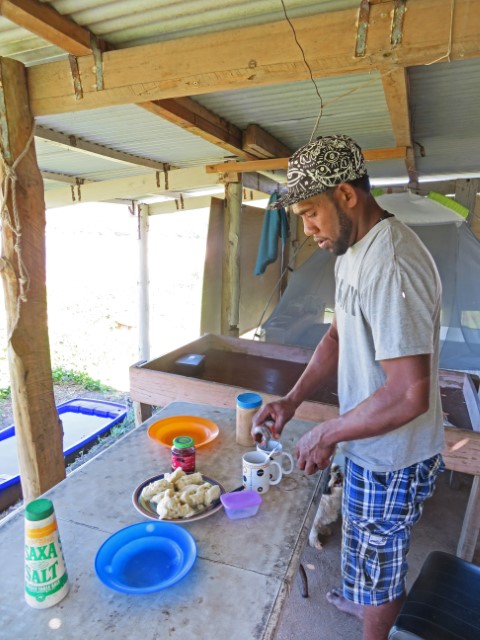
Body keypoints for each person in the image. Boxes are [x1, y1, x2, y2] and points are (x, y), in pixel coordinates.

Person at [253, 134, 445, 640]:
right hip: (370, 439)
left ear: (346, 194)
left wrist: (328, 433)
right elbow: (338, 337)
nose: (307, 228)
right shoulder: (350, 252)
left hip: (394, 455)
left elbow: (409, 394)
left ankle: (374, 617)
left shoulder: (392, 263)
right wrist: (293, 401)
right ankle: (366, 605)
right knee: (363, 547)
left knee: (380, 571)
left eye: (311, 211)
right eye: (299, 216)